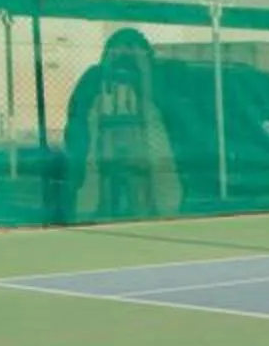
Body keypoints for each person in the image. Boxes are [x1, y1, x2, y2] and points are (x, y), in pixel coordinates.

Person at [63, 28, 181, 220]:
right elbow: (77, 119)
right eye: (117, 53)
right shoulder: (94, 79)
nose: (124, 63)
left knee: (148, 196)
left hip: (148, 162)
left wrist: (144, 79)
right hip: (100, 159)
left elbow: (170, 117)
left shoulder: (158, 80)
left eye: (132, 54)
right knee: (98, 198)